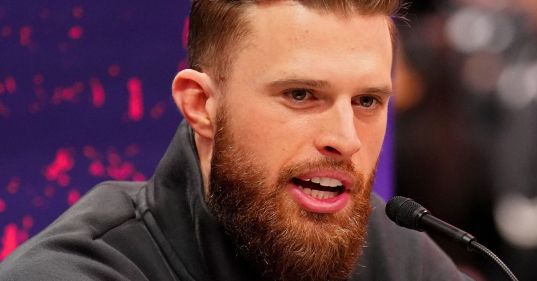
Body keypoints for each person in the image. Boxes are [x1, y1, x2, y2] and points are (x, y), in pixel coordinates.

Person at [0, 1, 472, 280]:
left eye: (367, 101)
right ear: (201, 104)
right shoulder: (76, 271)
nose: (345, 139)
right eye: (301, 94)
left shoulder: (398, 256)